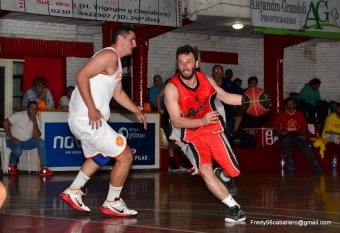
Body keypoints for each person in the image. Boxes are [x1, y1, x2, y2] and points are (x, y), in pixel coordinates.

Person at [59, 24, 147, 217]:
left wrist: (136, 111)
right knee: (126, 156)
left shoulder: (117, 63)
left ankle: (74, 191)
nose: (134, 44)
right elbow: (81, 75)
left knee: (100, 156)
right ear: (121, 39)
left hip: (83, 121)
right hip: (88, 118)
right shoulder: (109, 55)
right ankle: (112, 202)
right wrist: (92, 108)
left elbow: (118, 93)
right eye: (132, 39)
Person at [164, 44, 246, 223]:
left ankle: (223, 176)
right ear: (177, 65)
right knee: (205, 169)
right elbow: (177, 121)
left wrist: (250, 100)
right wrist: (201, 121)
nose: (185, 66)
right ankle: (235, 208)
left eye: (188, 62)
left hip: (211, 129)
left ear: (196, 64)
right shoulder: (172, 88)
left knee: (234, 171)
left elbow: (225, 97)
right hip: (189, 135)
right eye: (181, 62)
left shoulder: (206, 80)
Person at [3, 101, 53, 175]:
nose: (33, 110)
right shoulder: (19, 115)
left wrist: (34, 122)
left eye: (35, 108)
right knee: (18, 150)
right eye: (32, 108)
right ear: (27, 108)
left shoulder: (37, 120)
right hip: (13, 141)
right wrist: (10, 136)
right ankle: (11, 164)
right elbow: (5, 122)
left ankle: (44, 168)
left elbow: (36, 136)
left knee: (41, 142)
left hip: (27, 142)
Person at [273, 97, 322, 170]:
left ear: (294, 105)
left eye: (291, 104)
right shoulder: (282, 114)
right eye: (288, 104)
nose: (290, 106)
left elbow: (304, 126)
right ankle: (290, 161)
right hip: (285, 134)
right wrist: (281, 131)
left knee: (304, 144)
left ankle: (315, 162)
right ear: (286, 105)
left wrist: (302, 134)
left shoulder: (299, 114)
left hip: (296, 134)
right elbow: (275, 125)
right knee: (286, 140)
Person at [156, 78, 191, 172]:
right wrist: (159, 108)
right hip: (172, 115)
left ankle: (183, 162)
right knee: (172, 139)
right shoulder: (170, 87)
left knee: (183, 139)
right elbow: (159, 96)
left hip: (183, 116)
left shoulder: (184, 87)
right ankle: (171, 162)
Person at [212, 65, 244, 139]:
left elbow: (241, 93)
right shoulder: (208, 83)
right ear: (213, 73)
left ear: (222, 73)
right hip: (212, 116)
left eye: (219, 71)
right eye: (216, 71)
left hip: (226, 116)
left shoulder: (229, 83)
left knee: (226, 139)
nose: (217, 73)